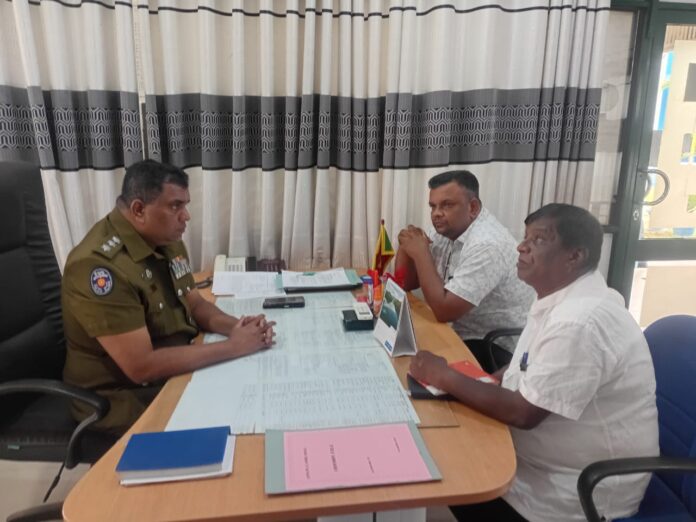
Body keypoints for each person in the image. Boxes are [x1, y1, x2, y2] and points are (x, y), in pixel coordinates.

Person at [409, 203, 659, 522]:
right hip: (542, 464)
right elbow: (525, 366)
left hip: (574, 492)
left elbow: (523, 413)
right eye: (525, 237)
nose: (521, 247)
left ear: (574, 256)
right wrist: (475, 382)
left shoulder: (581, 321)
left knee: (453, 473)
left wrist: (445, 377)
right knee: (445, 442)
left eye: (538, 240)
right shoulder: (560, 297)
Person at [62, 160, 275, 435]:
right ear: (139, 210)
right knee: (237, 418)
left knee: (254, 389)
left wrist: (239, 328)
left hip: (171, 371)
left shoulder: (165, 239)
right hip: (121, 397)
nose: (186, 216)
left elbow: (195, 304)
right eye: (175, 206)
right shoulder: (99, 268)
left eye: (185, 205)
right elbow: (141, 367)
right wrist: (234, 347)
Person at [395, 170, 534, 371]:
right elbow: (407, 283)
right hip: (457, 331)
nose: (436, 213)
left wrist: (421, 253)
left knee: (408, 367)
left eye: (447, 205)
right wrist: (407, 246)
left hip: (492, 347)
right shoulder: (447, 227)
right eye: (433, 206)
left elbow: (444, 311)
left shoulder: (488, 245)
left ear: (473, 207)